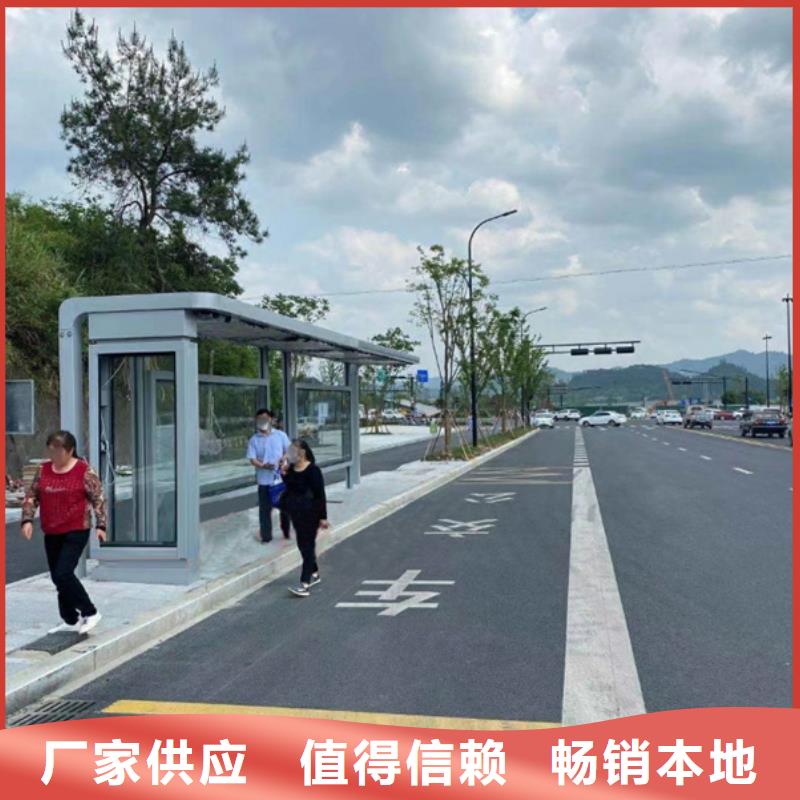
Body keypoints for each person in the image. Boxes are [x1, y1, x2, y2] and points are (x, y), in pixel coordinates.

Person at [20, 430, 107, 634]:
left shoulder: (84, 471)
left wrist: (101, 525)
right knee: (57, 577)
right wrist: (27, 520)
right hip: (52, 530)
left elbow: (98, 499)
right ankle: (70, 619)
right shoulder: (43, 470)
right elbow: (32, 496)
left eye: (58, 452)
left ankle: (90, 611)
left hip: (76, 529)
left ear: (70, 450)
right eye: (51, 451)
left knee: (63, 573)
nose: (54, 456)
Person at [282, 439, 329, 597]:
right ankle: (314, 572)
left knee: (307, 545)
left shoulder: (313, 470)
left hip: (311, 513)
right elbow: (290, 487)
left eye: (293, 451)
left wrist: (323, 517)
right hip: (296, 513)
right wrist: (284, 473)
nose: (290, 454)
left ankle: (304, 583)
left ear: (302, 452)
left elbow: (320, 494)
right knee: (303, 545)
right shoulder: (292, 469)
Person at [246, 408, 291, 543]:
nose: (262, 421)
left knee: (285, 507)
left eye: (265, 419)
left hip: (281, 479)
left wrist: (284, 458)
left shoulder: (281, 435)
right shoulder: (254, 440)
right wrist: (262, 465)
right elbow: (252, 459)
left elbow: (289, 450)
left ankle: (286, 531)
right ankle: (266, 537)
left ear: (271, 419)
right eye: (259, 419)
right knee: (264, 510)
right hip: (264, 480)